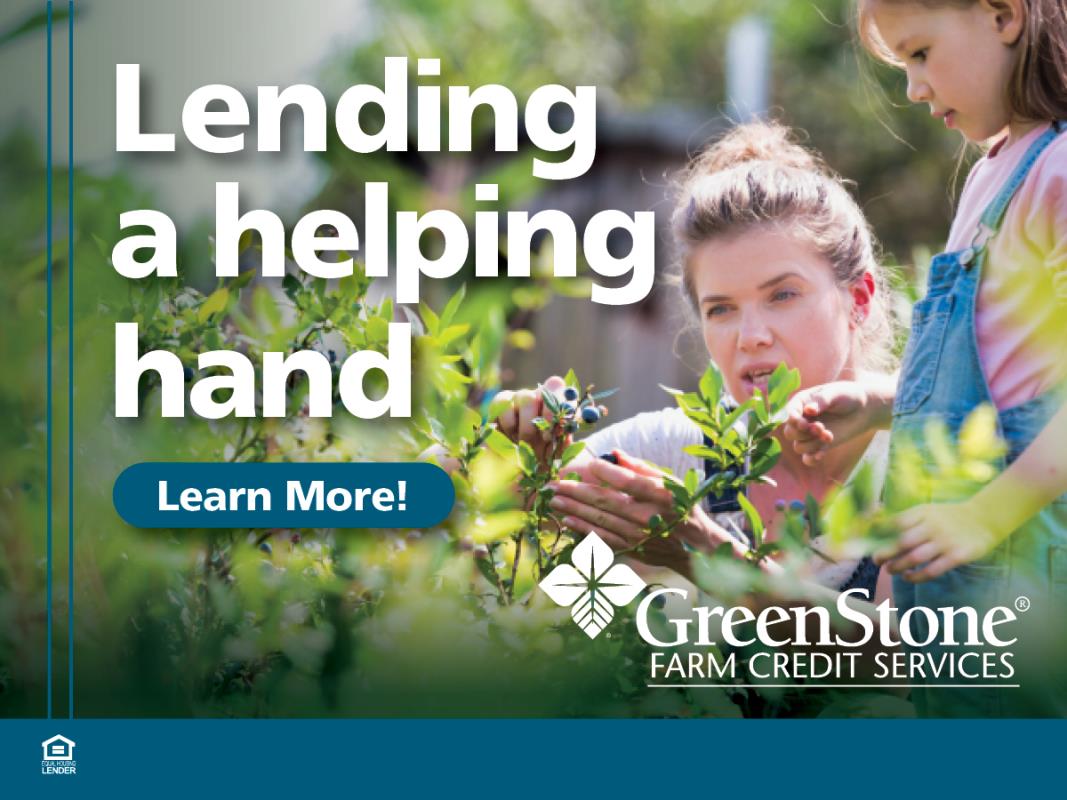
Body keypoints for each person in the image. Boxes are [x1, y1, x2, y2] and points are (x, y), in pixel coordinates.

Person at [786, 0, 1067, 715]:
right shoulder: (991, 175)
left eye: (917, 53)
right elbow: (1006, 375)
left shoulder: (1059, 170)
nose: (912, 89)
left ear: (1002, 15)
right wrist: (881, 403)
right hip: (953, 598)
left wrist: (982, 516)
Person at [495, 121, 900, 612]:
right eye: (721, 309)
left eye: (783, 295)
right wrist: (530, 490)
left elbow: (907, 667)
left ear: (859, 298)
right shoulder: (669, 452)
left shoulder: (919, 461)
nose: (750, 336)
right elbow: (581, 620)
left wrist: (702, 552)